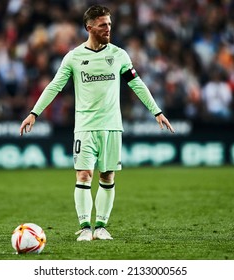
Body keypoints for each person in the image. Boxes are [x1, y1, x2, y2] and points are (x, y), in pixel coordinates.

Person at [19, 5, 174, 242]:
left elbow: (137, 84)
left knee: (107, 176)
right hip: (85, 126)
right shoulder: (74, 57)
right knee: (83, 175)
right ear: (89, 27)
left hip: (112, 125)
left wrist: (157, 111)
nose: (108, 28)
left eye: (109, 24)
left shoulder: (119, 55)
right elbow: (54, 86)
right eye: (103, 25)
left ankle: (100, 226)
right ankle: (84, 227)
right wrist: (34, 113)